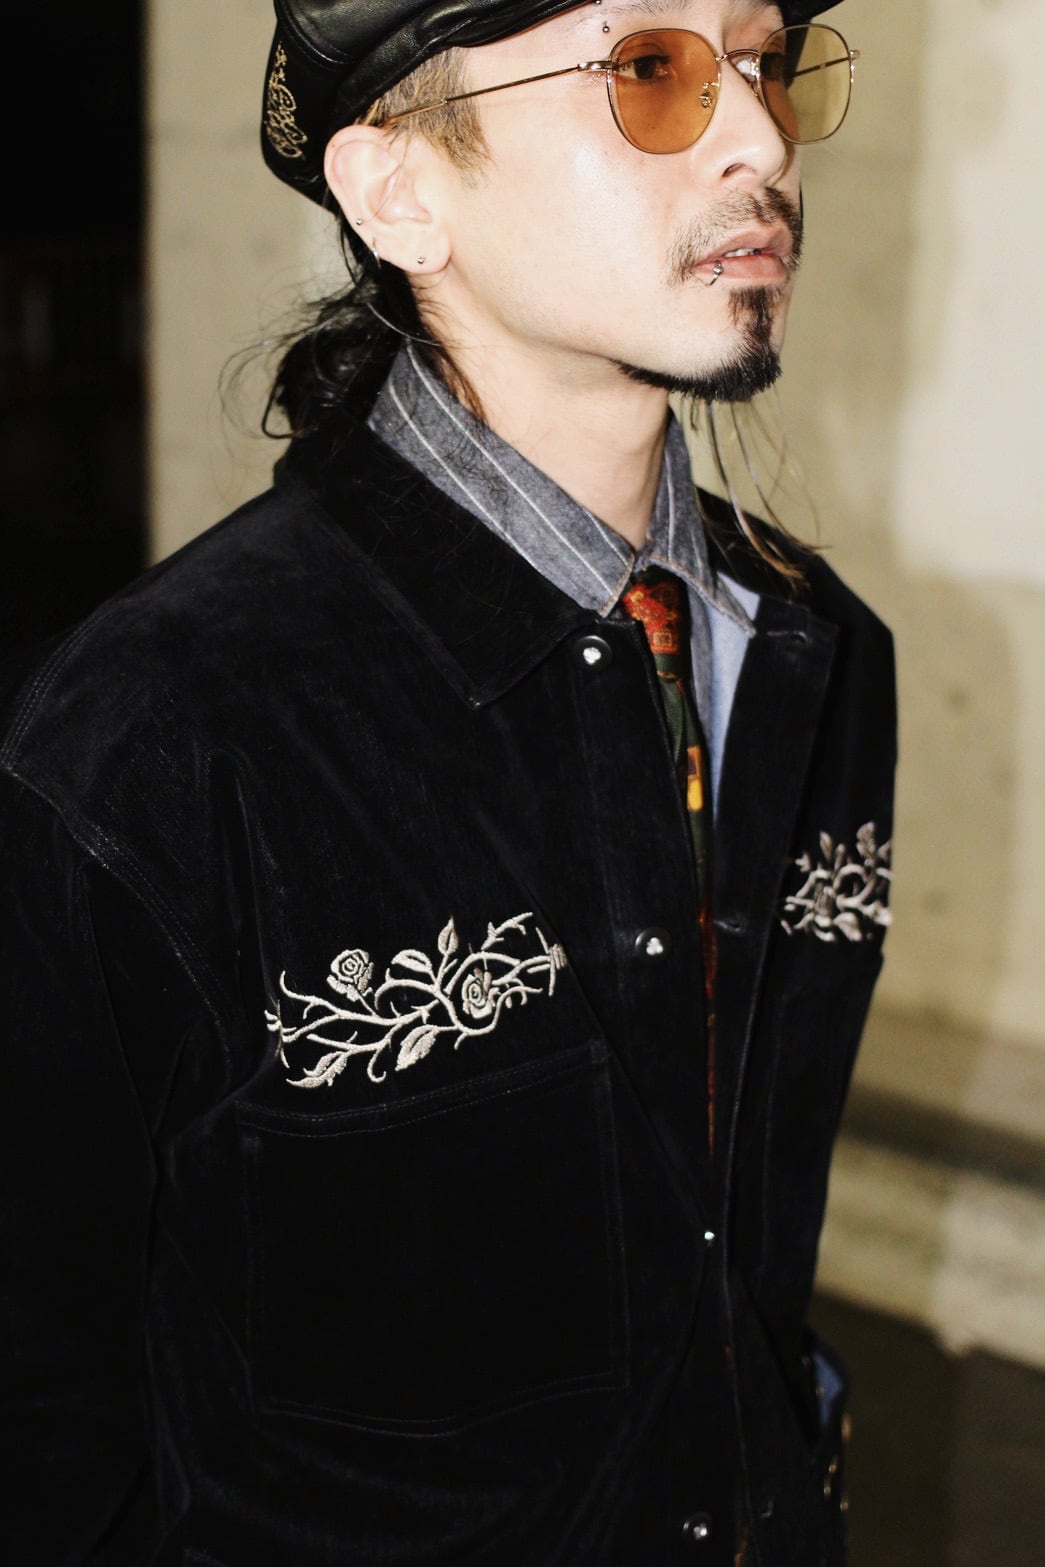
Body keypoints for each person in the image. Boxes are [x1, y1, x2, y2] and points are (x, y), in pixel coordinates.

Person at [0, 1, 896, 1562]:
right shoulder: (163, 734)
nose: (758, 137)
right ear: (401, 191)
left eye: (761, 60)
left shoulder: (811, 653)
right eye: (651, 73)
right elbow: (41, 1395)